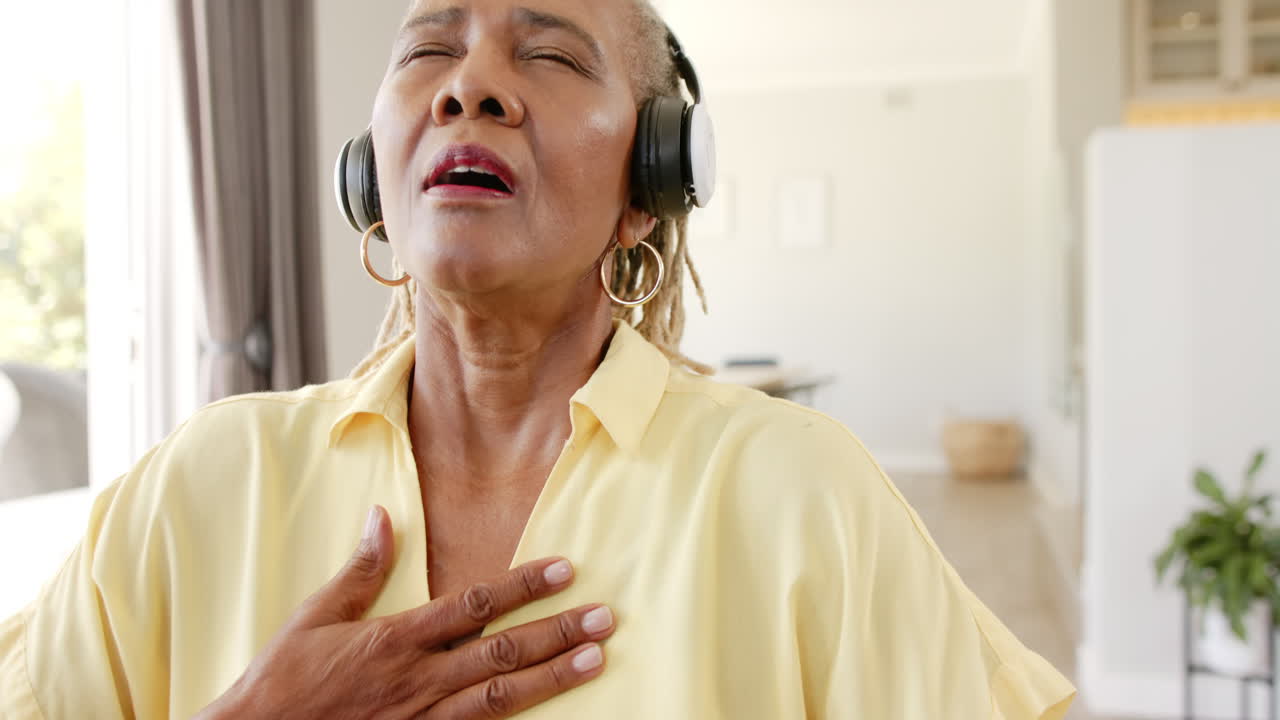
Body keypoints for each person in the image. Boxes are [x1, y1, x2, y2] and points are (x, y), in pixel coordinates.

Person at [0, 0, 1077, 718]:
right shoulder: (197, 485)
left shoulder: (799, 494)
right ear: (370, 173)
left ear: (650, 183)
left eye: (551, 56)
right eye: (428, 50)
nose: (469, 87)